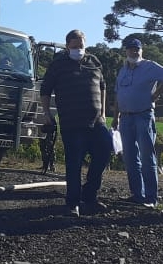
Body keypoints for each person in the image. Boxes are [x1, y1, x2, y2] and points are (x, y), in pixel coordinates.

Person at [40, 29, 113, 217]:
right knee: (74, 163)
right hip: (72, 123)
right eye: (75, 45)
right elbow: (45, 89)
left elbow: (103, 87)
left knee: (105, 152)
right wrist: (46, 113)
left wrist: (104, 112)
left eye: (81, 44)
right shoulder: (58, 64)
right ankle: (73, 203)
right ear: (67, 46)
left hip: (97, 121)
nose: (79, 48)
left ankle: (89, 195)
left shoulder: (94, 62)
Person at [112, 37, 163, 207]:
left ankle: (150, 198)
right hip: (125, 118)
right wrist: (115, 116)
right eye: (131, 49)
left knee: (147, 156)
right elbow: (118, 95)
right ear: (126, 51)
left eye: (137, 49)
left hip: (143, 115)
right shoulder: (122, 71)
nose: (134, 52)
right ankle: (137, 195)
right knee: (129, 157)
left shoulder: (150, 66)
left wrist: (156, 94)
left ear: (141, 51)